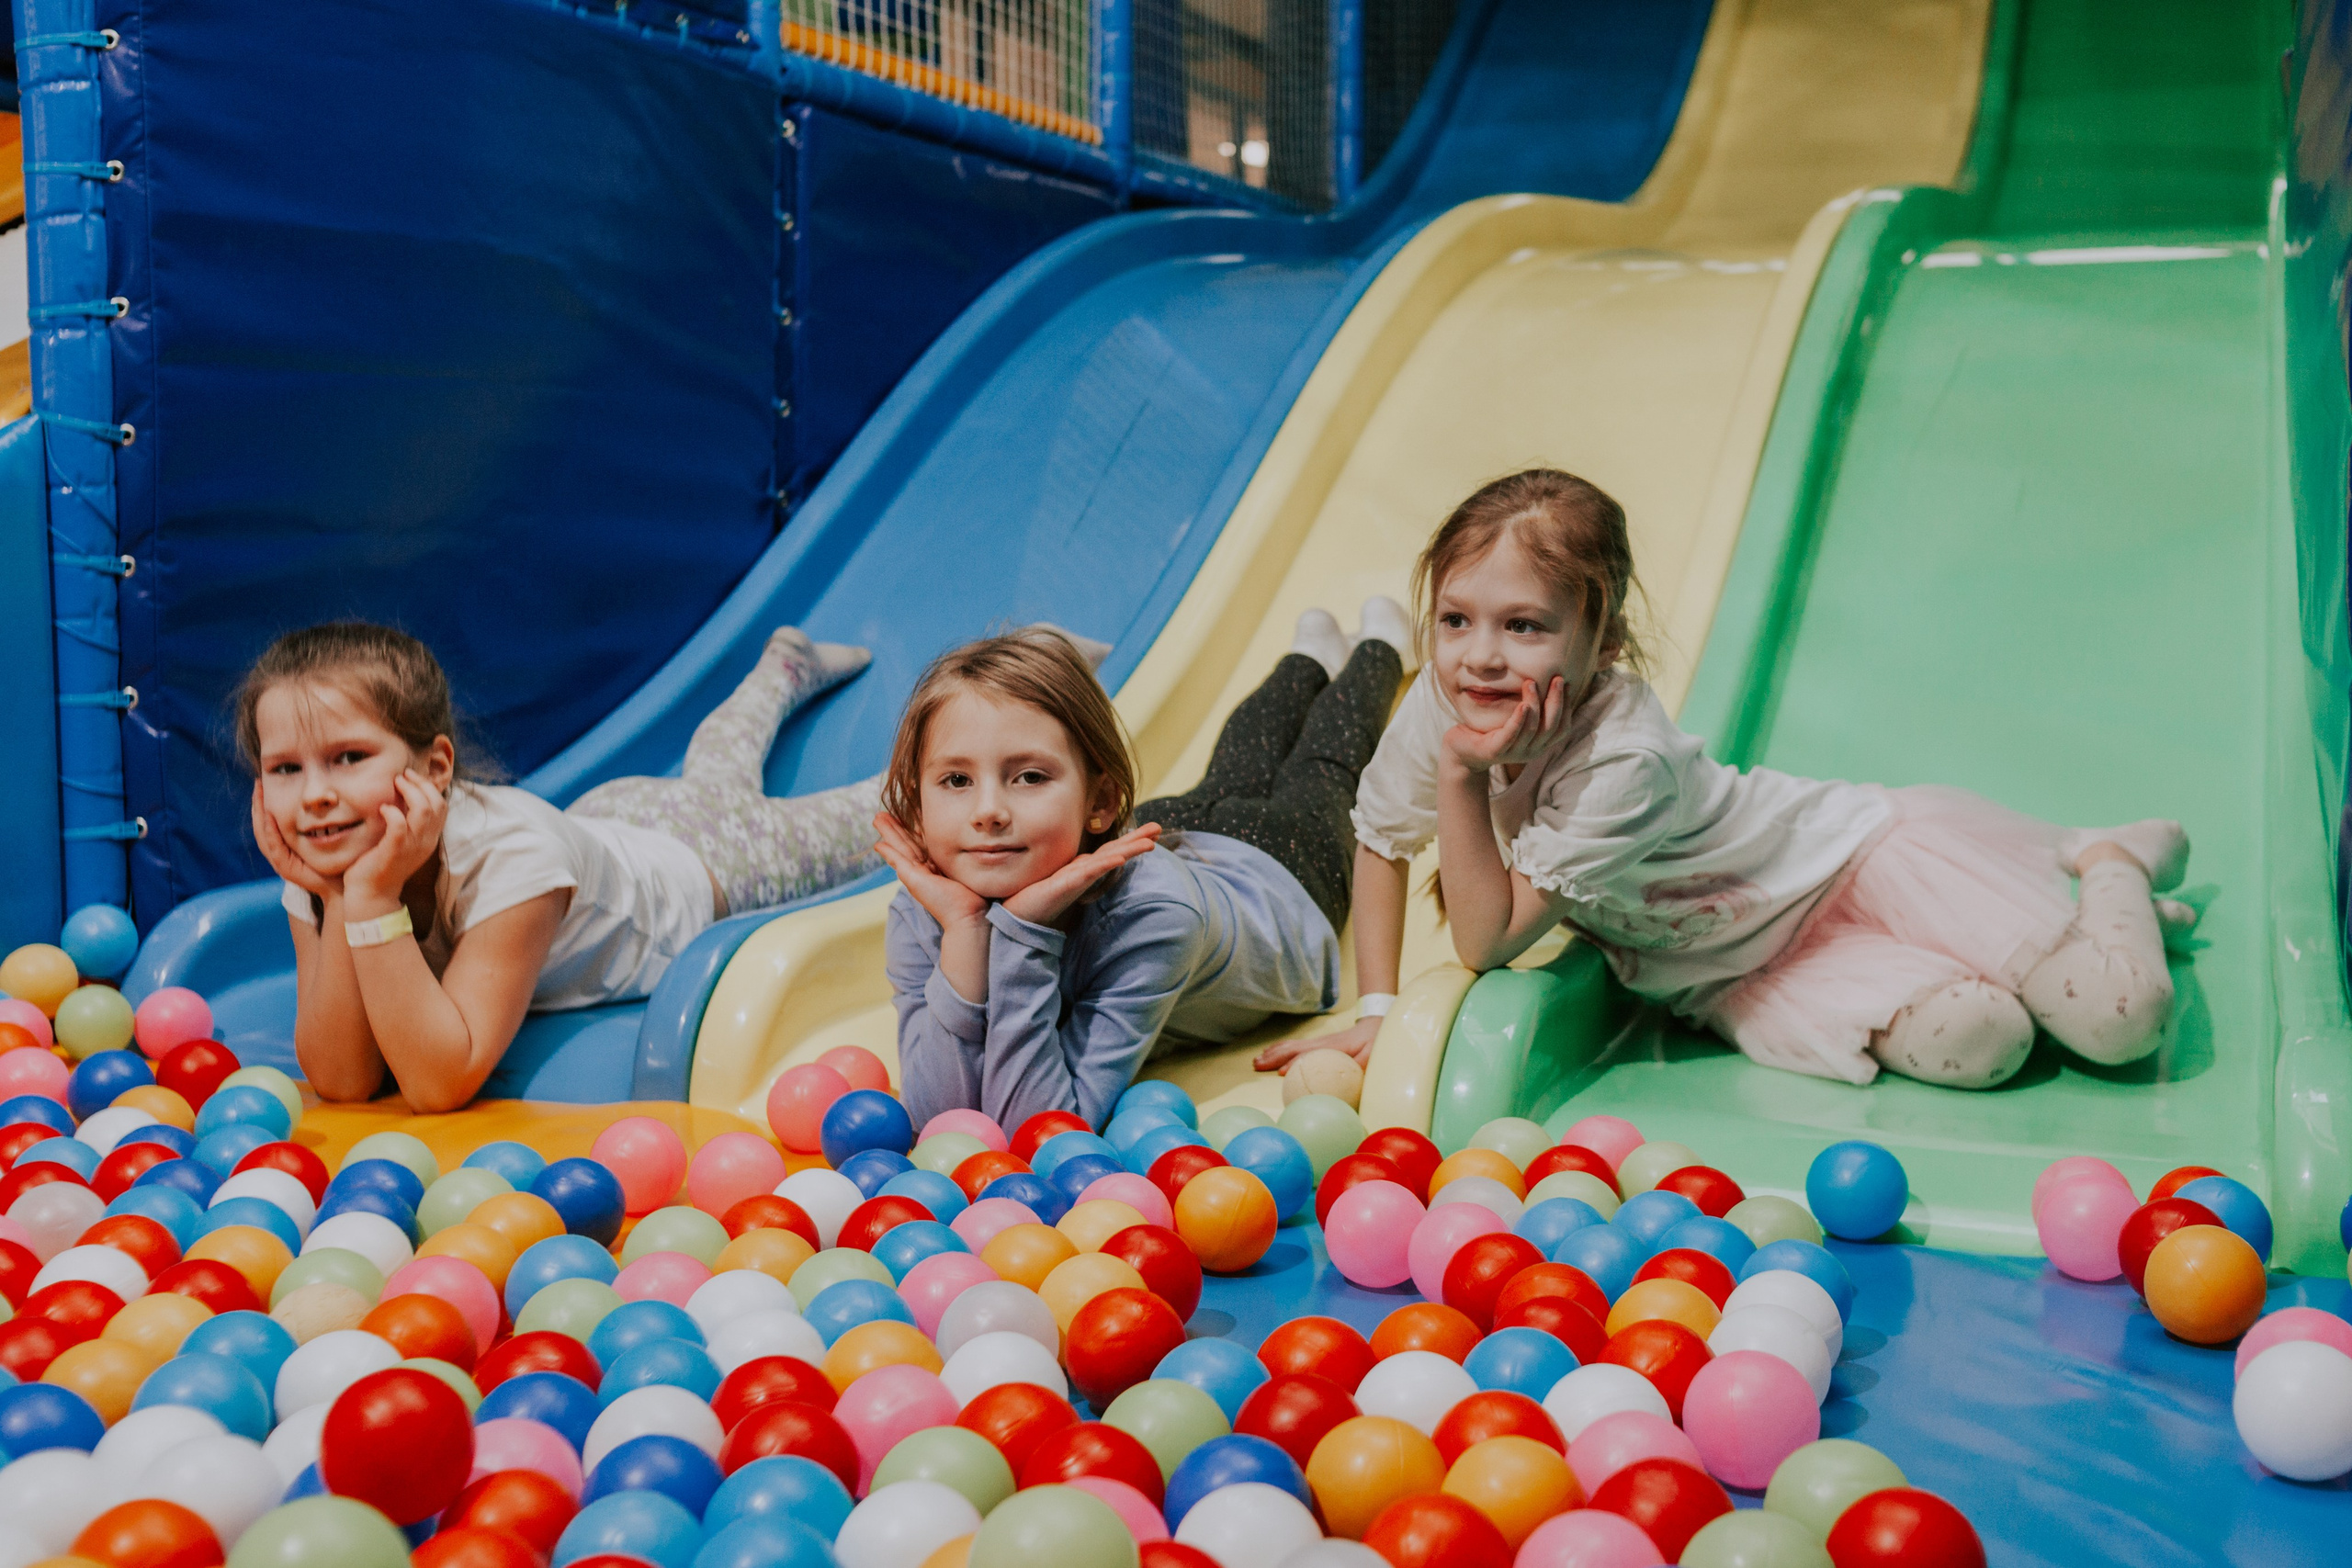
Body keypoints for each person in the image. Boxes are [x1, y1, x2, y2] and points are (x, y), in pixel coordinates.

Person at [1256, 468, 2191, 1089]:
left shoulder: (1623, 756)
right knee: (1986, 1043)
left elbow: (1486, 940)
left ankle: (2108, 862)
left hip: (1842, 866)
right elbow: (1381, 840)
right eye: (1454, 620)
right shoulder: (1445, 708)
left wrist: (1462, 778)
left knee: (2121, 1020)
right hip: (1733, 966)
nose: (1479, 658)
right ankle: (2019, 941)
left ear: (1603, 642)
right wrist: (1376, 1011)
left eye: (1526, 626)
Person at [243, 621, 878, 1110]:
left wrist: (373, 901)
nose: (314, 795)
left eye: (349, 757)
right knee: (718, 773)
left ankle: (942, 735)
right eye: (285, 769)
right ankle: (782, 667)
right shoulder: (334, 861)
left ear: (434, 768)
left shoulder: (511, 857)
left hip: (711, 860)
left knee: (884, 815)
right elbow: (341, 1078)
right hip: (607, 818)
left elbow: (440, 1079)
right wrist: (338, 898)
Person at [879, 612, 1407, 1129]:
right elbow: (939, 1124)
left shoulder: (1153, 916)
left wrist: (1022, 934)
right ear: (918, 804)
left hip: (1283, 872)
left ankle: (1382, 648)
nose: (987, 811)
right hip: (1162, 833)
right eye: (955, 780)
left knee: (1324, 764)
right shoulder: (930, 908)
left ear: (1101, 801)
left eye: (1031, 776)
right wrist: (965, 936)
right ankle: (1308, 658)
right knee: (1242, 754)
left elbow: (1039, 1131)